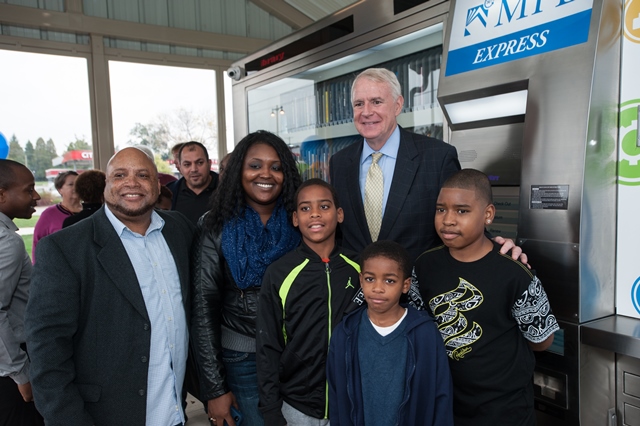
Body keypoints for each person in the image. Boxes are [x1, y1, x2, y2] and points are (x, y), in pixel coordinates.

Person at [25, 147, 195, 426]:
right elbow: (47, 353)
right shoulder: (65, 249)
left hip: (174, 412)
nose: (131, 182)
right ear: (106, 185)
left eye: (143, 174)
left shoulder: (180, 230)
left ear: (157, 184)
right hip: (104, 416)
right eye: (120, 174)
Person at [328, 68, 524, 264]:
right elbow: (337, 232)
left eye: (377, 102)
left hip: (421, 286)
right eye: (359, 104)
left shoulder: (437, 157)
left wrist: (494, 244)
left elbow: (460, 216)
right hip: (356, 286)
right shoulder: (340, 163)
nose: (367, 112)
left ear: (397, 105)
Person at [414, 169, 559, 426]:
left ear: (488, 214)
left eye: (462, 211)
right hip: (447, 403)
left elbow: (543, 340)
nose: (448, 220)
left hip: (505, 410)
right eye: (440, 210)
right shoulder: (424, 266)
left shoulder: (514, 271)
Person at [191, 130, 302, 426]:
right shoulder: (214, 225)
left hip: (297, 356)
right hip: (243, 361)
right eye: (255, 165)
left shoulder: (302, 221)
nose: (266, 173)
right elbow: (203, 309)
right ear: (238, 170)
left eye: (276, 167)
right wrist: (214, 389)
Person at [256, 178, 361, 426]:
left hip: (351, 404)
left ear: (340, 214)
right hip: (297, 406)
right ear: (295, 219)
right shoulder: (279, 273)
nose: (315, 214)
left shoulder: (360, 269)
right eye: (305, 208)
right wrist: (271, 409)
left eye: (324, 206)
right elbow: (267, 345)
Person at [326, 240, 453, 426]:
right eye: (370, 279)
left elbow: (441, 395)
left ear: (405, 285)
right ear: (361, 280)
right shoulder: (345, 333)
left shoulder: (425, 333)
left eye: (389, 280)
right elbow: (337, 398)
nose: (378, 288)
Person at [0, 159, 44, 426]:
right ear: (1, 194)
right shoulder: (8, 243)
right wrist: (21, 374)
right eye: (29, 189)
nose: (36, 196)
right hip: (11, 366)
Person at [31, 170, 81, 263]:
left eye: (78, 183)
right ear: (59, 189)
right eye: (71, 184)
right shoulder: (49, 214)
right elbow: (37, 244)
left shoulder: (89, 212)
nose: (76, 187)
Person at [167, 141, 219, 224]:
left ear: (209, 164)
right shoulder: (170, 192)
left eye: (199, 163)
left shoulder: (227, 188)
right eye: (187, 164)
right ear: (180, 167)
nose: (194, 169)